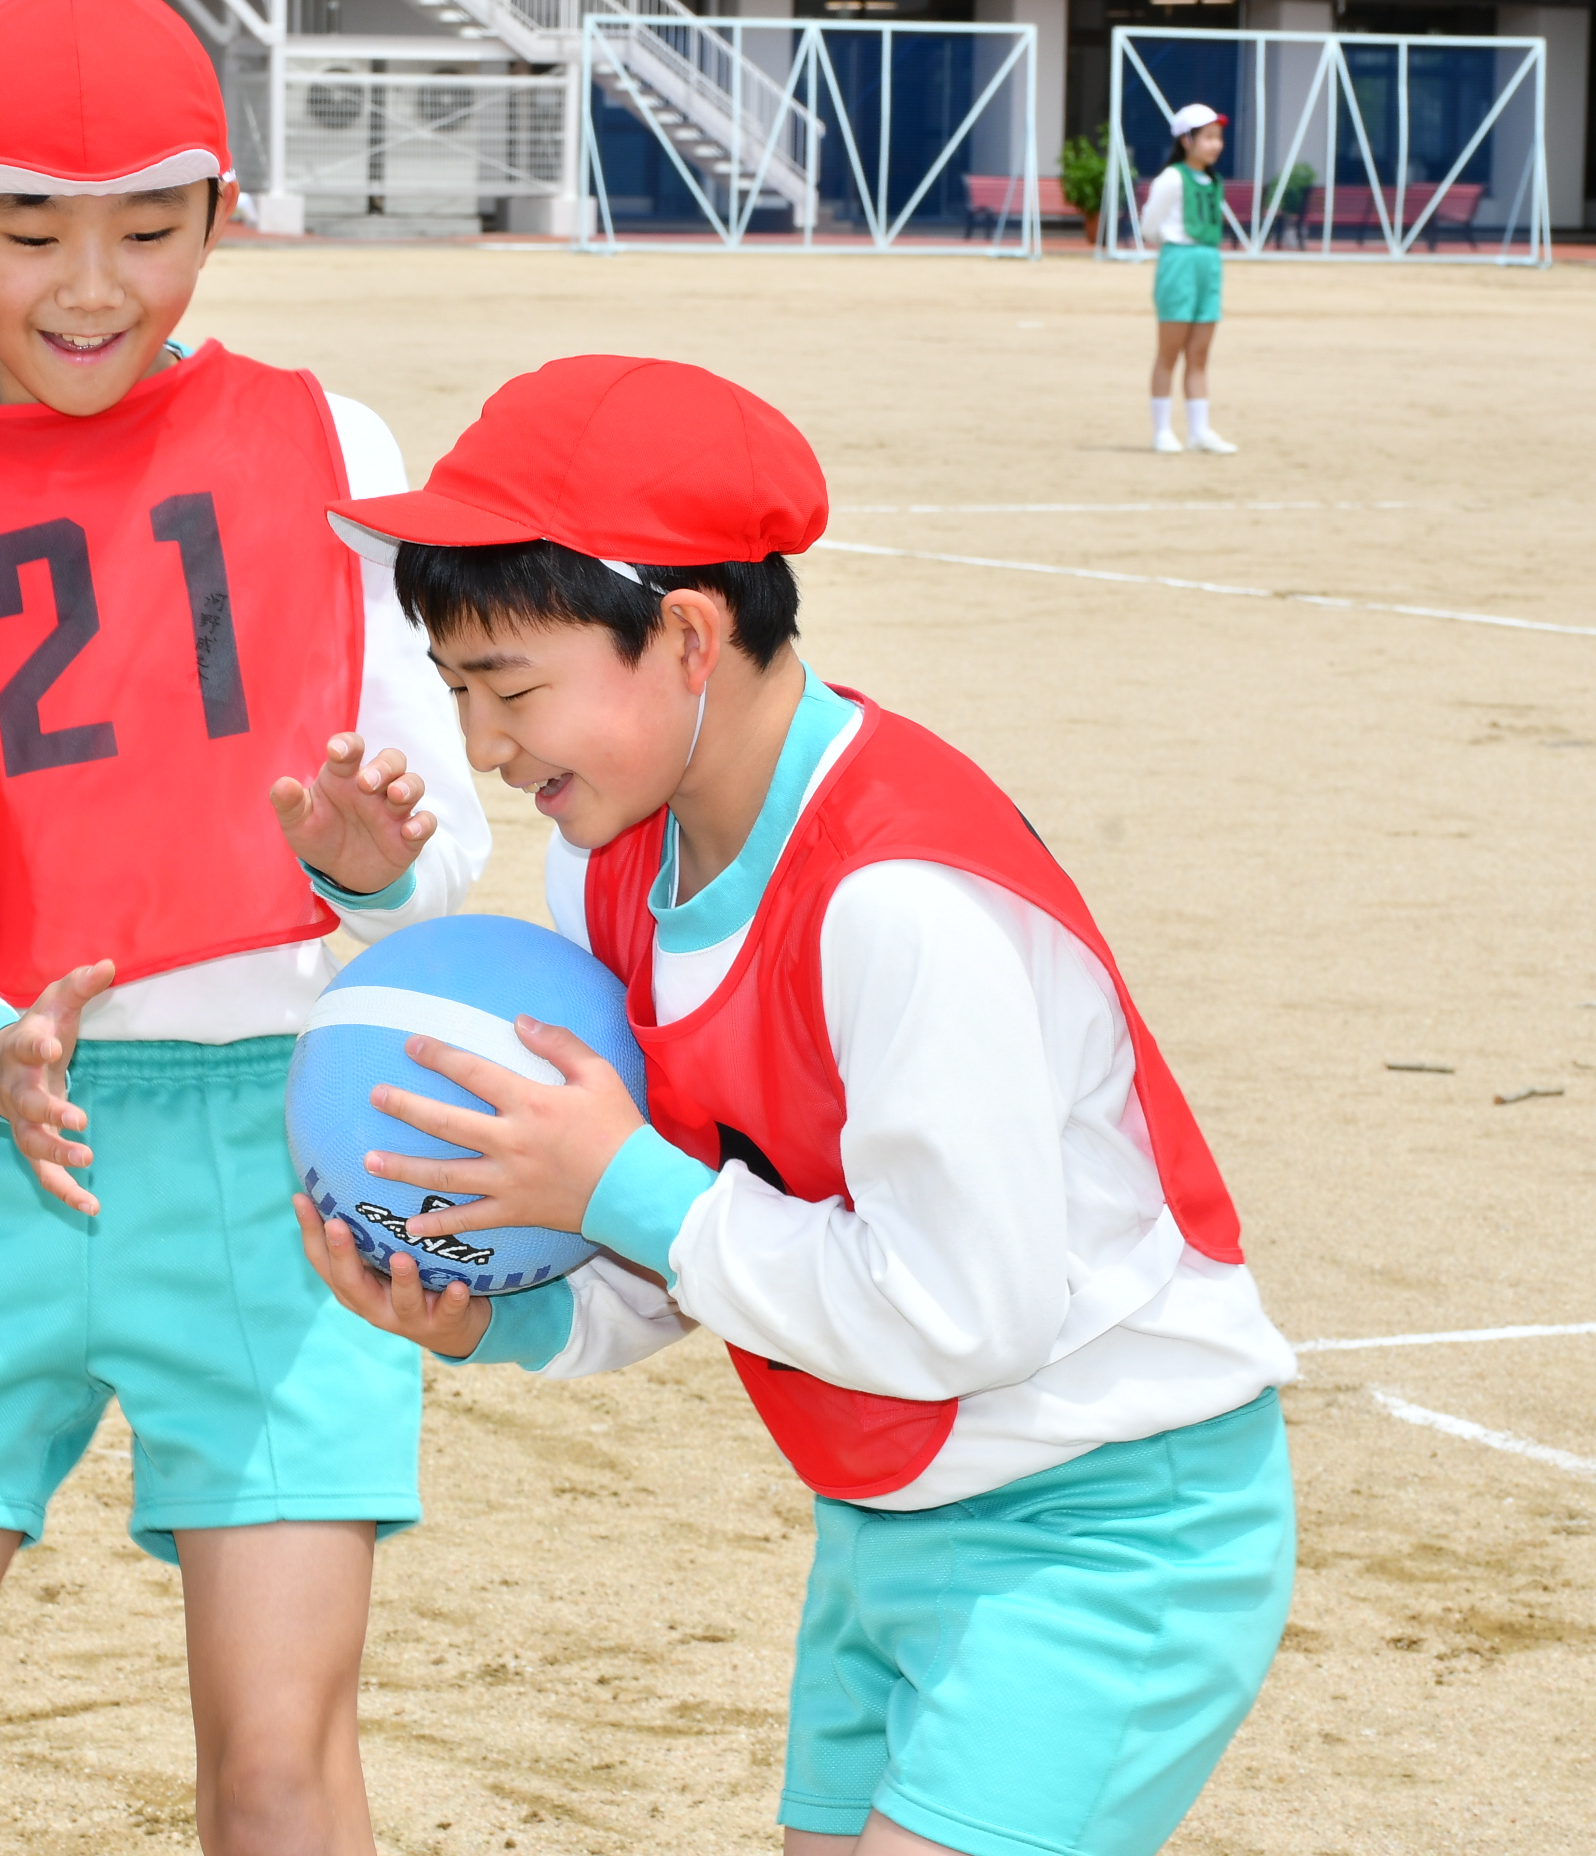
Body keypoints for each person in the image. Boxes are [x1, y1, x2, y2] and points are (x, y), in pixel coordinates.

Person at [298, 355, 1297, 1856]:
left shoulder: (899, 899)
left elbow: (963, 1312)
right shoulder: (612, 864)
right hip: (886, 1514)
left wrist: (621, 1183)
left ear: (688, 636)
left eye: (511, 689)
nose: (486, 746)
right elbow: (692, 1245)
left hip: (1106, 1519)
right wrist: (496, 1314)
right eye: (457, 694)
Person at [0, 0, 489, 1849]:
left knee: (278, 1768)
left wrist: (367, 865)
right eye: (28, 232)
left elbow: (443, 847)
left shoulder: (327, 441)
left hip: (276, 1166)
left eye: (150, 229)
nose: (93, 287)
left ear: (222, 212)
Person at [1143, 103, 1238, 455]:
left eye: (1218, 138)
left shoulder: (1214, 181)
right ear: (1186, 140)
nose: (1216, 145)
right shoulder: (1171, 178)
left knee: (1199, 353)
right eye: (1208, 137)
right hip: (1179, 261)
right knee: (1169, 352)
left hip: (1208, 263)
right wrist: (1174, 246)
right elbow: (1149, 225)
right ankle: (1162, 431)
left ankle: (1199, 431)